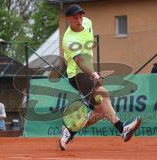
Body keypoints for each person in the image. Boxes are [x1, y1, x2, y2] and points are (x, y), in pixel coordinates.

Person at [59, 4, 141, 151]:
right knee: (104, 95)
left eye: (80, 16)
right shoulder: (68, 40)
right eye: (75, 17)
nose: (79, 19)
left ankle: (69, 130)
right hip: (77, 74)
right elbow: (80, 61)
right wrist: (94, 74)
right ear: (68, 20)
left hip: (89, 71)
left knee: (101, 112)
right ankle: (123, 129)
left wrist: (92, 72)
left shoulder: (88, 22)